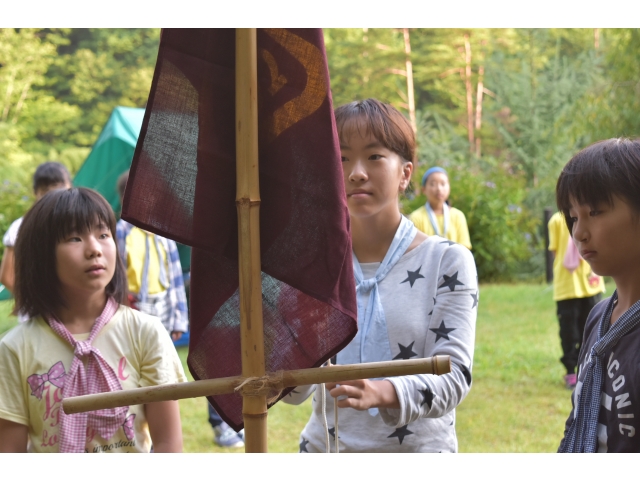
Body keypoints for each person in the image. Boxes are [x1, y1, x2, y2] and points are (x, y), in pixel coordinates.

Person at [283, 99, 477, 453]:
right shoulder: (312, 266)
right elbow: (295, 392)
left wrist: (381, 391)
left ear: (405, 173)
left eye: (374, 156)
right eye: (341, 158)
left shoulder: (447, 261)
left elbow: (455, 376)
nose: (356, 172)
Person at [0, 187, 186, 452]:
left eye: (103, 234)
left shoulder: (146, 332)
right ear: (41, 254)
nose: (94, 249)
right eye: (75, 238)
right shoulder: (15, 349)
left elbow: (168, 444)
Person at [557, 138, 640, 453]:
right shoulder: (599, 316)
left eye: (595, 211)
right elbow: (579, 417)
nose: (578, 232)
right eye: (574, 217)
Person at [115, 171, 188, 341]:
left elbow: (176, 278)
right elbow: (115, 274)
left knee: (161, 358)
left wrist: (179, 319)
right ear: (125, 200)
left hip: (164, 305)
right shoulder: (122, 233)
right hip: (133, 305)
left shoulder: (163, 234)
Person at [0, 162, 72, 316]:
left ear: (70, 186)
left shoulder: (78, 224)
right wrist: (34, 301)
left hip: (75, 312)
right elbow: (7, 275)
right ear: (35, 193)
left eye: (59, 188)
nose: (53, 195)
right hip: (36, 315)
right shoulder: (20, 227)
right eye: (46, 191)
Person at [548, 211, 605, 389]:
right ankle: (571, 372)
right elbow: (557, 251)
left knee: (593, 331)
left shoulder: (592, 215)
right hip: (567, 286)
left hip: (591, 284)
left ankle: (590, 370)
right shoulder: (557, 220)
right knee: (569, 332)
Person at [408, 167, 472, 250]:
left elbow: (464, 249)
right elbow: (415, 251)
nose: (439, 189)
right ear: (424, 189)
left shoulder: (458, 216)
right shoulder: (416, 217)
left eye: (443, 184)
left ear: (449, 187)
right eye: (433, 184)